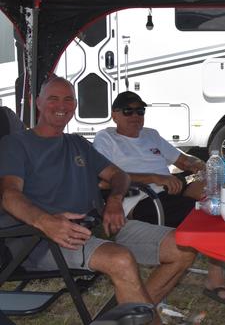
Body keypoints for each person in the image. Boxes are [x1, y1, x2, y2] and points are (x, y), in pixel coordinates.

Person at [0, 77, 196, 321]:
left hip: (99, 226)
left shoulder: (77, 143)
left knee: (183, 246)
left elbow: (119, 175)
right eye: (53, 98)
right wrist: (46, 222)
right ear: (38, 103)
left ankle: (121, 316)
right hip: (48, 238)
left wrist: (114, 200)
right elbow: (9, 195)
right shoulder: (17, 144)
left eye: (68, 99)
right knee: (121, 260)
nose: (61, 105)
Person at [93, 91, 225, 308]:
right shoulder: (106, 139)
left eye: (140, 111)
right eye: (128, 111)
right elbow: (102, 181)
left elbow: (182, 160)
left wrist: (199, 164)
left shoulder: (151, 135)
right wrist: (154, 177)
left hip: (168, 191)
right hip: (141, 198)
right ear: (115, 115)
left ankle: (216, 275)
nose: (135, 116)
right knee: (212, 214)